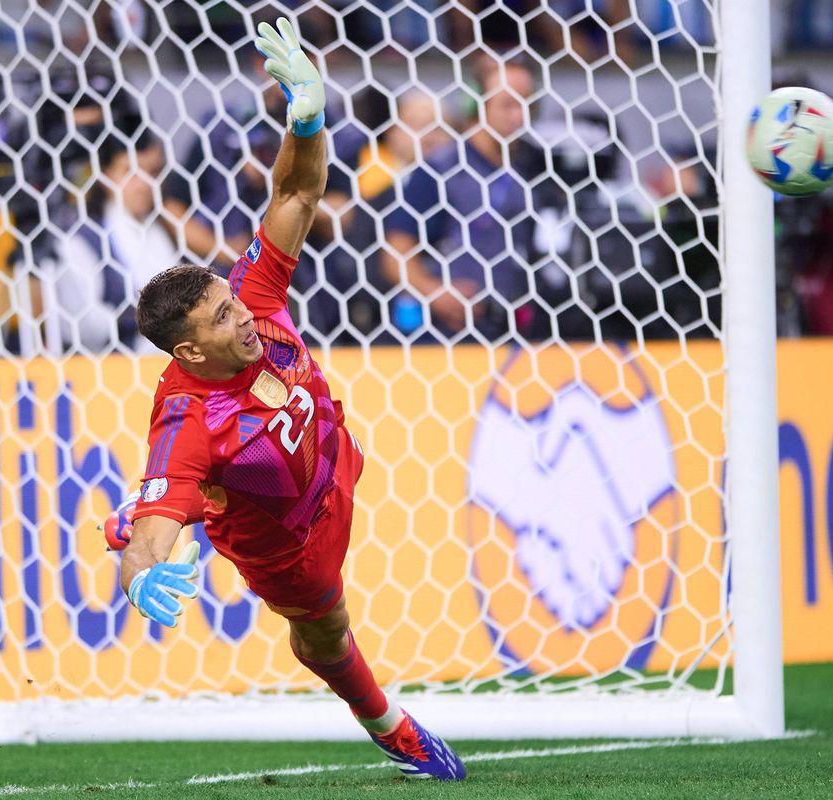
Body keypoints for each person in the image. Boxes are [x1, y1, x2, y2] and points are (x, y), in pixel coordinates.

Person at [107, 18, 466, 781]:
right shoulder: (188, 424)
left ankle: (163, 500)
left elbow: (297, 191)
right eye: (222, 319)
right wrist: (139, 572)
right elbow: (153, 543)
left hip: (333, 457)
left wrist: (306, 122)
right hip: (287, 540)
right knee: (325, 633)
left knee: (186, 497)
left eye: (231, 301)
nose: (244, 317)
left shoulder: (253, 296)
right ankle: (390, 726)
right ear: (188, 352)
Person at [382, 56, 540, 340]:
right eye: (507, 105)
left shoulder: (534, 167)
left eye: (526, 104)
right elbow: (395, 254)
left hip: (515, 334)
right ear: (476, 104)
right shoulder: (441, 170)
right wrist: (435, 293)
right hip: (447, 337)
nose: (519, 116)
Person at [53, 130, 178, 354]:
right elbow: (81, 327)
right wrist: (140, 318)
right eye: (130, 172)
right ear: (106, 174)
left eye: (153, 172)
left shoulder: (164, 230)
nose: (144, 184)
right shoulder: (82, 240)